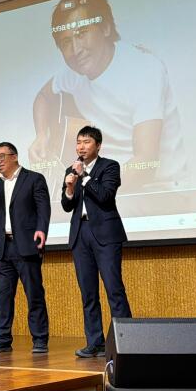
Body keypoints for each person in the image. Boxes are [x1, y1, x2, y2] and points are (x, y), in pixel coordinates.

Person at [28, 0, 187, 195]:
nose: (76, 49)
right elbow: (43, 97)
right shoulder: (76, 71)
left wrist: (88, 192)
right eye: (66, 42)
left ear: (105, 27)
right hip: (107, 188)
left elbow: (145, 162)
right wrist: (41, 135)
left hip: (160, 189)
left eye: (82, 34)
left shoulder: (144, 70)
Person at [61, 126, 131, 358]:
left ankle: (125, 342)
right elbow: (67, 205)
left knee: (114, 289)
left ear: (98, 145)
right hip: (80, 234)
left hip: (105, 234)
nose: (81, 147)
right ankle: (95, 343)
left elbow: (105, 196)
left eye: (86, 142)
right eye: (78, 142)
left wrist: (85, 177)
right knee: (88, 293)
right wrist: (69, 188)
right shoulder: (71, 170)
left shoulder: (110, 166)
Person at [0, 142, 51, 354]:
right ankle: (2, 339)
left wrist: (41, 230)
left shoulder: (34, 179)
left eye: (1, 156)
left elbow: (43, 209)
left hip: (26, 245)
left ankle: (40, 339)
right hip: (3, 247)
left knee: (34, 294)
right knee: (3, 296)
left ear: (14, 156)